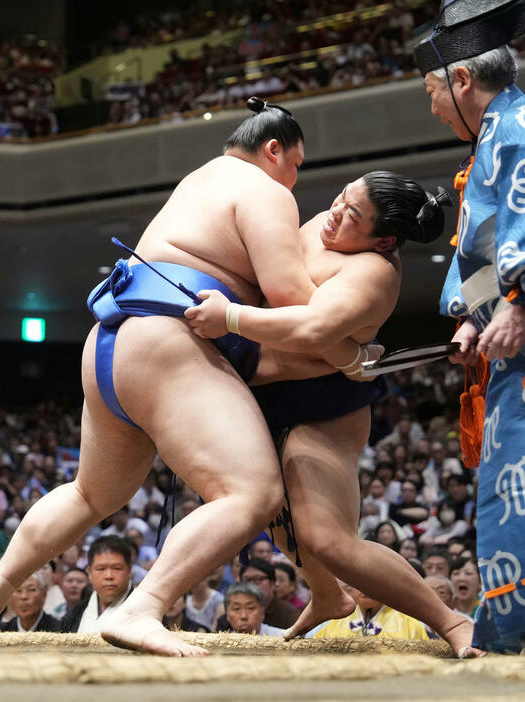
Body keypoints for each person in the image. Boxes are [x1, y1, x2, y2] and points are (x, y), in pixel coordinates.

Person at [0, 97, 376, 657]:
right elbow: (292, 300)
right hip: (166, 343)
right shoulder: (264, 189)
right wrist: (353, 351)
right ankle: (144, 607)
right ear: (273, 150)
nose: (296, 181)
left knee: (89, 493)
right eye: (296, 164)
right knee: (252, 492)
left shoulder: (197, 181)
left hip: (110, 343)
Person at [185, 170, 481, 657]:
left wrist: (231, 317)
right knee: (277, 518)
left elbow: (309, 328)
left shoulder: (373, 273)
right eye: (342, 199)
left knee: (329, 540)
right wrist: (346, 351)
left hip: (325, 403)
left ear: (382, 238)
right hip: (271, 389)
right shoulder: (326, 223)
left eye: (353, 217)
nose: (335, 215)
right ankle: (326, 595)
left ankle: (451, 623)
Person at [413, 0, 525, 651]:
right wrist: (474, 317)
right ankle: (509, 630)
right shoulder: (494, 139)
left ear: (461, 81)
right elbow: (481, 248)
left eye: (431, 91)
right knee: (505, 488)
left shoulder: (518, 129)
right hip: (509, 354)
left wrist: (518, 305)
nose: (429, 107)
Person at [60, 536, 133, 633]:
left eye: (117, 568)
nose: (109, 576)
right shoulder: (75, 614)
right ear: (89, 572)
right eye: (101, 569)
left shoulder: (146, 611)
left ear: (129, 571)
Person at [313, 587, 429, 641]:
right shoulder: (336, 620)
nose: (365, 589)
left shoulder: (408, 622)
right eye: (359, 583)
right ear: (350, 587)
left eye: (371, 583)